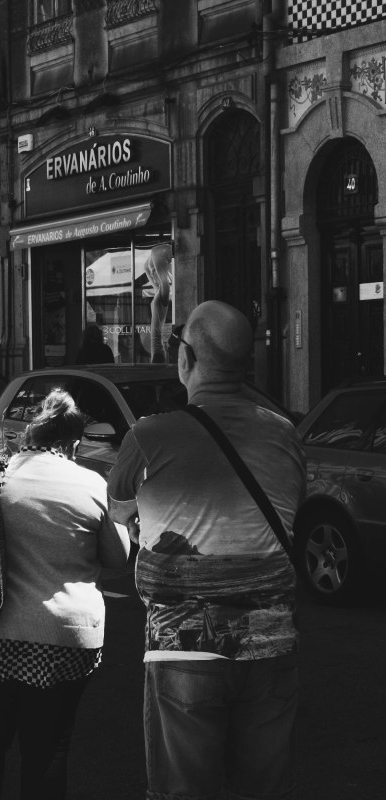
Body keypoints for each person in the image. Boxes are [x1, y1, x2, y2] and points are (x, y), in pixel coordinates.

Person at [107, 300, 306, 800]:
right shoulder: (284, 435)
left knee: (183, 791)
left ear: (185, 359)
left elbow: (117, 511)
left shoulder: (149, 435)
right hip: (271, 645)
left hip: (183, 647)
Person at [0, 389, 130, 799]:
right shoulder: (91, 483)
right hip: (66, 638)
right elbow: (118, 556)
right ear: (74, 442)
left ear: (29, 432)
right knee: (48, 750)